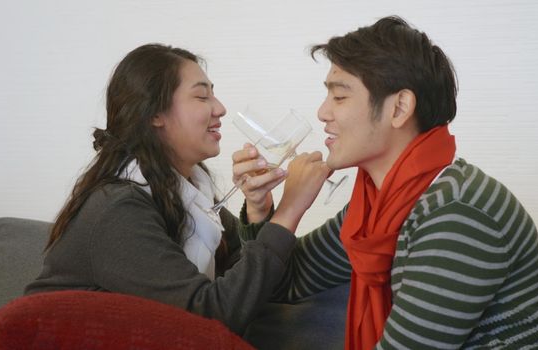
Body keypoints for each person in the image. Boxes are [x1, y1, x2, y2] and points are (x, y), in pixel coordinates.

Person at [242, 16, 538, 349]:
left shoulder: (456, 212)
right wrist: (269, 209)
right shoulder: (374, 208)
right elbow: (280, 285)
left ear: (400, 107)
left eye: (340, 96)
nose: (322, 112)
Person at [24, 43, 330, 335]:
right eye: (201, 97)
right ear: (155, 114)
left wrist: (258, 208)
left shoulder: (189, 192)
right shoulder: (118, 208)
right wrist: (290, 210)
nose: (220, 108)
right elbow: (210, 317)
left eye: (214, 95)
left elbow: (256, 284)